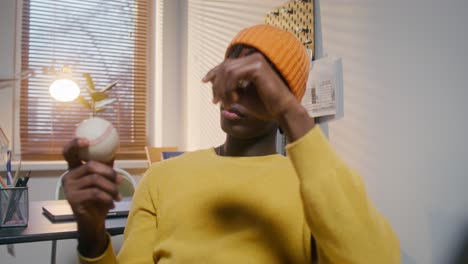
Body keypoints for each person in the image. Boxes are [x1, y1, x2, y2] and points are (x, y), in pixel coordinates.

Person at [62, 24, 400, 263]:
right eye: (231, 71)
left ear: (283, 96)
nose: (237, 90)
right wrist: (91, 232)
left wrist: (290, 112)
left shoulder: (313, 182)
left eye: (256, 81)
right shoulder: (162, 177)